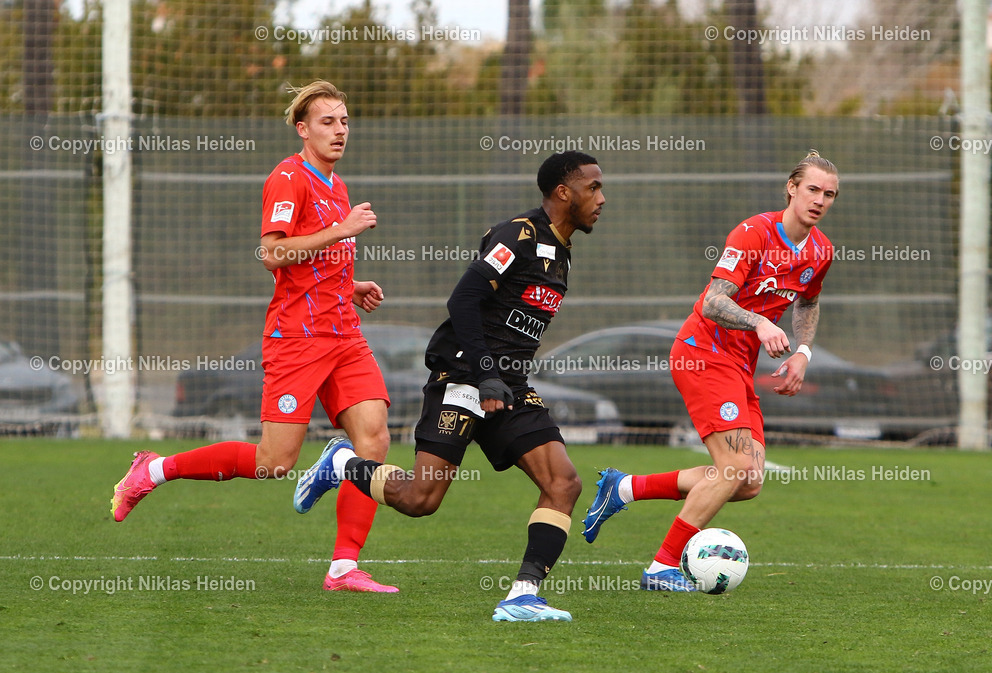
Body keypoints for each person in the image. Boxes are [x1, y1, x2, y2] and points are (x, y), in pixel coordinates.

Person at [110, 80, 399, 593]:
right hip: (297, 339)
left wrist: (350, 287)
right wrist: (342, 232)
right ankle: (154, 470)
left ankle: (343, 568)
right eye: (328, 121)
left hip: (344, 335)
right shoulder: (289, 177)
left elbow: (310, 262)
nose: (339, 131)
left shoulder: (337, 186)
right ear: (302, 128)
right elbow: (273, 253)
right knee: (274, 463)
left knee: (374, 438)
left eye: (345, 121)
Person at [291, 150, 605, 621]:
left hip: (510, 386)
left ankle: (522, 595)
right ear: (564, 192)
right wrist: (484, 373)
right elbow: (463, 299)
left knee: (563, 483)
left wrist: (500, 379)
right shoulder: (517, 234)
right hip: (464, 376)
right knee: (420, 501)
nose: (602, 197)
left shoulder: (561, 252)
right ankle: (341, 462)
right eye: (593, 187)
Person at [581, 150, 838, 591]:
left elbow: (808, 302)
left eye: (829, 194)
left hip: (738, 364)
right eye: (812, 189)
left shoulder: (821, 251)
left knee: (748, 481)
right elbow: (715, 301)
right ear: (792, 188)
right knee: (736, 466)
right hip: (702, 353)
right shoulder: (754, 232)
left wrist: (803, 352)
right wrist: (759, 322)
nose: (819, 199)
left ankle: (625, 488)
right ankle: (661, 566)